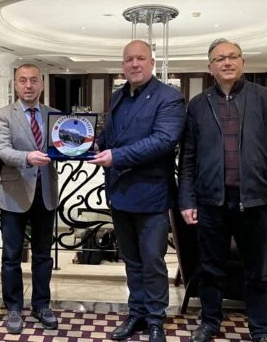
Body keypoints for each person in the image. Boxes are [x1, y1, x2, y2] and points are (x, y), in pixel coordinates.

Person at [178, 38, 267, 342]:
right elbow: (188, 157)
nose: (227, 62)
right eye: (220, 59)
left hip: (255, 202)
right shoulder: (198, 105)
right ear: (210, 67)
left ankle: (260, 329)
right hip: (211, 201)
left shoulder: (266, 99)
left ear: (243, 62)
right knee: (210, 269)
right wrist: (187, 199)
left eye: (233, 57)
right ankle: (209, 322)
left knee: (258, 272)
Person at [90, 40, 186, 342]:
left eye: (141, 58)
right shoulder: (117, 96)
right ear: (122, 65)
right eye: (129, 59)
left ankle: (156, 319)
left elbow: (163, 140)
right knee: (131, 261)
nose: (134, 64)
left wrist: (116, 156)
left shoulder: (169, 97)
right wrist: (93, 145)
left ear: (152, 63)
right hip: (119, 193)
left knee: (152, 262)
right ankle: (137, 314)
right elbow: (110, 135)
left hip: (151, 195)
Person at [0, 63, 59, 334]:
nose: (28, 85)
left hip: (46, 194)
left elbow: (66, 145)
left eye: (33, 80)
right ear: (16, 85)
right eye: (23, 80)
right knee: (11, 256)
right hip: (14, 193)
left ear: (41, 84)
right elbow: (1, 150)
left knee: (43, 255)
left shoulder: (54, 115)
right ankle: (14, 307)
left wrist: (85, 147)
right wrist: (27, 157)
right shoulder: (2, 115)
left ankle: (42, 305)